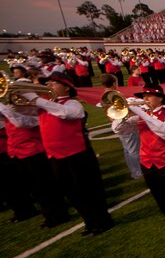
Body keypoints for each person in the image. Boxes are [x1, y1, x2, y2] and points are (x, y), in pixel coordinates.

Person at [23, 72, 114, 235]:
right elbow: (22, 117)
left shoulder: (72, 104)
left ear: (66, 86)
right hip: (55, 156)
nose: (49, 86)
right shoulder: (45, 105)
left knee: (89, 191)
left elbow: (65, 113)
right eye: (48, 83)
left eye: (53, 83)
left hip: (77, 155)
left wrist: (36, 99)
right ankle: (89, 222)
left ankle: (102, 221)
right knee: (71, 193)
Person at [112, 84, 165, 241]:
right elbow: (118, 129)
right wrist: (121, 114)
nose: (145, 99)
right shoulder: (142, 115)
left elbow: (164, 132)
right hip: (148, 163)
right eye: (144, 96)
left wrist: (141, 113)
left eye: (149, 96)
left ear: (160, 98)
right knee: (161, 198)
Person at [0, 82, 70, 226]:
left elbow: (24, 123)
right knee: (34, 187)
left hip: (33, 149)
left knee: (45, 185)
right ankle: (48, 214)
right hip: (17, 151)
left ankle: (58, 214)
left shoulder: (32, 107)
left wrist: (8, 110)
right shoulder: (15, 106)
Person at [98, 74, 142, 179]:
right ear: (114, 83)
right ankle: (137, 172)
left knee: (127, 150)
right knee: (133, 150)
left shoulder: (105, 96)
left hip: (119, 124)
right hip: (125, 124)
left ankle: (134, 170)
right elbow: (123, 109)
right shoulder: (113, 95)